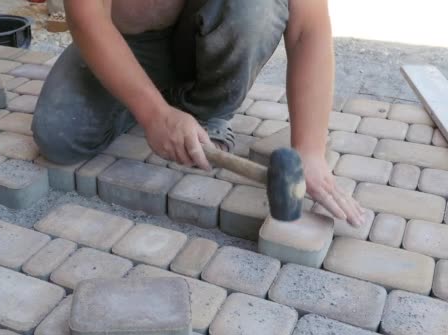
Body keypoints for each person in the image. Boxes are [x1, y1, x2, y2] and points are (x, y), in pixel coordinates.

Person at [31, 0, 365, 226]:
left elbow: (309, 29)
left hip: (201, 31)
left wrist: (310, 150)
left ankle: (206, 110)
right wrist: (153, 113)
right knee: (59, 135)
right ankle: (151, 95)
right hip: (126, 38)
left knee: (255, 8)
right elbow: (86, 16)